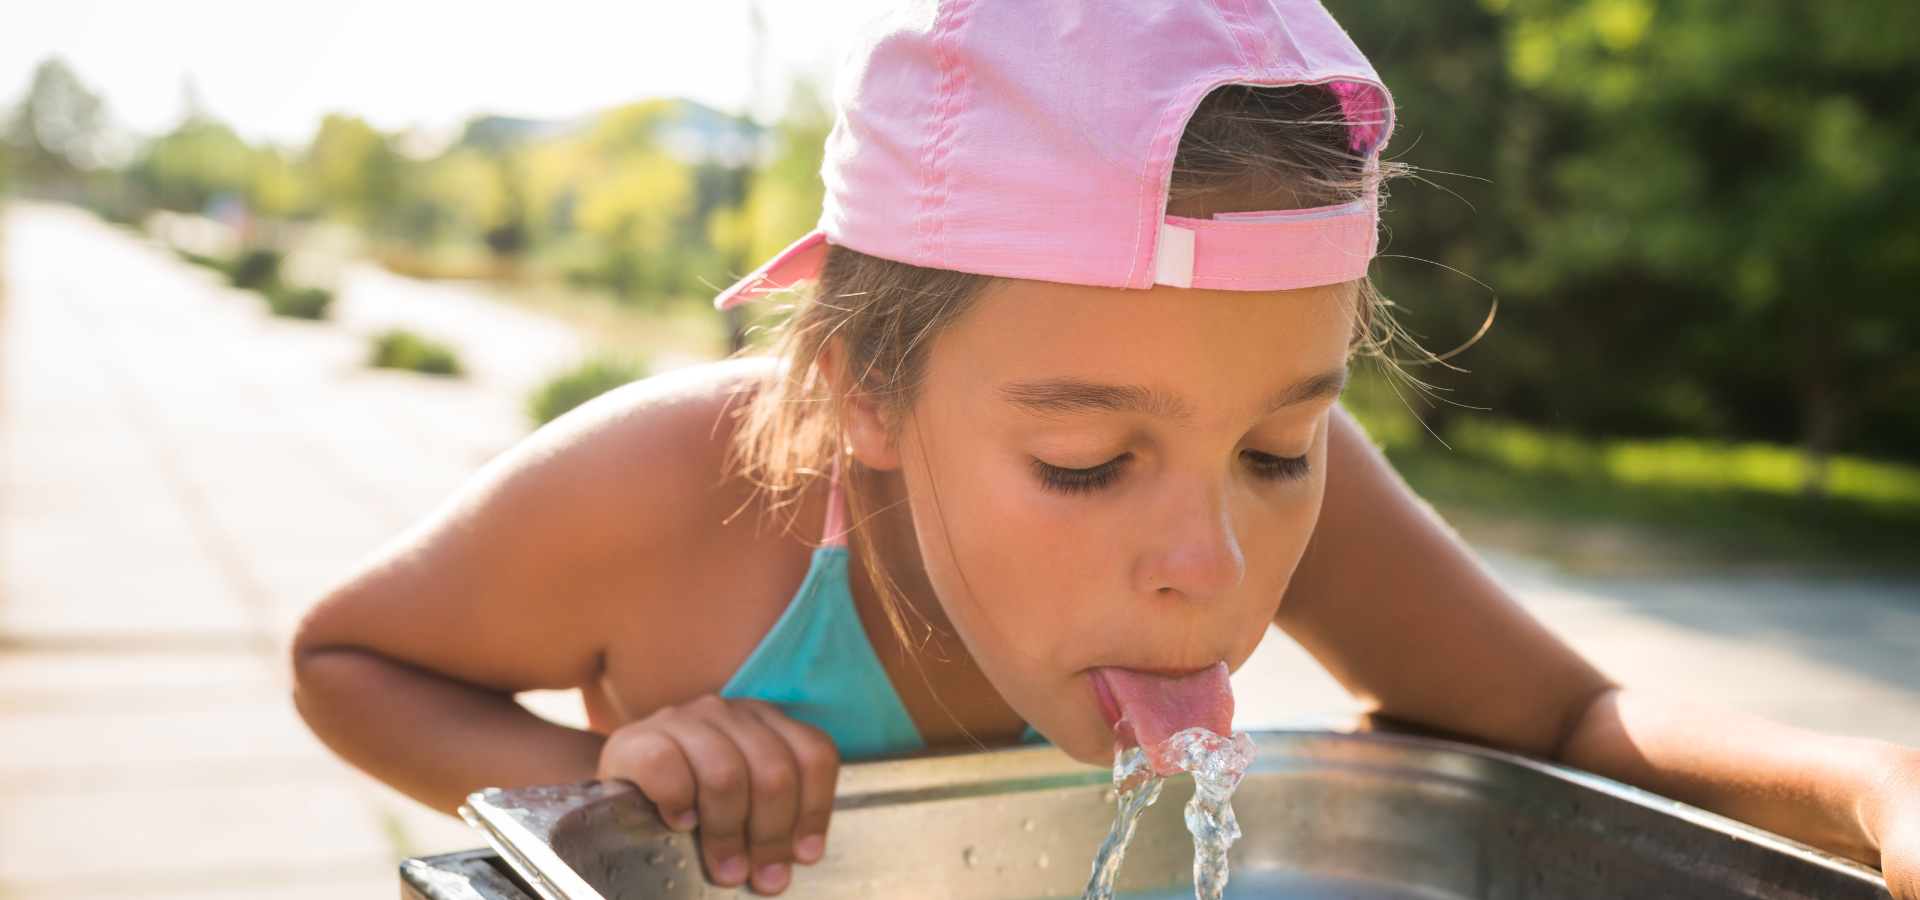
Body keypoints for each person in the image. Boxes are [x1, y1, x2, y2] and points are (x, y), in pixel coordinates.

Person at [290, 1, 1920, 896]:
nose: (1210, 561)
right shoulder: (677, 494)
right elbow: (343, 654)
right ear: (865, 384)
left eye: (1283, 446)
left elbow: (1558, 715)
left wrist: (1874, 780)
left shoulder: (1266, 498)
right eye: (1085, 464)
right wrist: (616, 800)